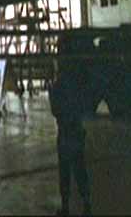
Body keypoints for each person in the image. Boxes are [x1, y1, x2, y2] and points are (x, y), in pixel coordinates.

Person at [49, 63, 92, 217]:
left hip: (65, 132)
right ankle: (86, 202)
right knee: (80, 168)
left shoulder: (57, 87)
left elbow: (55, 110)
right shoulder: (77, 85)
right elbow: (84, 106)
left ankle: (65, 206)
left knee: (65, 171)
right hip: (76, 131)